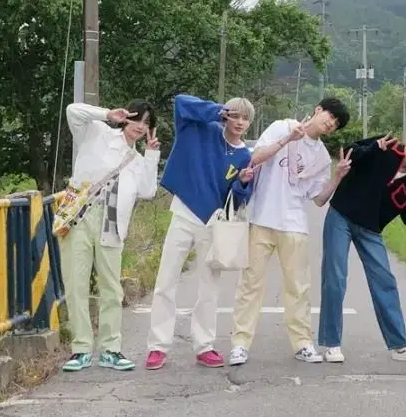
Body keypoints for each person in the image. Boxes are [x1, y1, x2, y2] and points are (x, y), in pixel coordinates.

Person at [229, 97, 351, 367]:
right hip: (261, 218)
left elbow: (318, 199)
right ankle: (240, 344)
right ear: (317, 109)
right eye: (330, 116)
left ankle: (302, 343)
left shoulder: (320, 155)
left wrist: (338, 176)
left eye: (336, 123)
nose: (331, 123)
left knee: (298, 288)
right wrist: (287, 140)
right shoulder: (282, 126)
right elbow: (255, 157)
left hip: (295, 225)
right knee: (250, 284)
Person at [316, 129, 406, 364]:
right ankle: (332, 343)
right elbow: (350, 153)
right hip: (341, 216)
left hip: (370, 231)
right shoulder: (386, 147)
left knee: (385, 282)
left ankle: (400, 346)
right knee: (335, 278)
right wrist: (372, 148)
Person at [146, 95, 255, 370]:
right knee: (166, 280)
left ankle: (204, 345)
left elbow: (238, 201)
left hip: (213, 223)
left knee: (209, 287)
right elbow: (181, 102)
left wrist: (242, 183)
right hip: (183, 212)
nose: (239, 122)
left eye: (245, 118)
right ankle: (158, 346)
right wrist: (217, 111)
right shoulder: (199, 129)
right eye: (234, 115)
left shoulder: (245, 156)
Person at [61, 100, 159, 372]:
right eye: (137, 119)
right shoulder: (98, 133)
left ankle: (110, 349)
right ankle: (80, 349)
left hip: (113, 223)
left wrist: (151, 156)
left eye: (147, 124)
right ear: (126, 117)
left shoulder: (138, 160)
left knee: (111, 288)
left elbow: (148, 191)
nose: (140, 127)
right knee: (76, 283)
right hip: (81, 215)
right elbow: (73, 111)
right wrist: (108, 115)